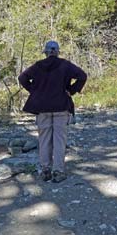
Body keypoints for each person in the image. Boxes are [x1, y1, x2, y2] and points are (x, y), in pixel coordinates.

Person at [18, 41, 87, 183]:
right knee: (59, 141)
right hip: (61, 106)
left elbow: (22, 78)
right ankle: (58, 171)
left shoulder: (38, 66)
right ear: (57, 52)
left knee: (44, 140)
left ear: (46, 52)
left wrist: (35, 92)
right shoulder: (65, 65)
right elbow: (82, 76)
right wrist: (71, 91)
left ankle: (45, 170)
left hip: (42, 108)